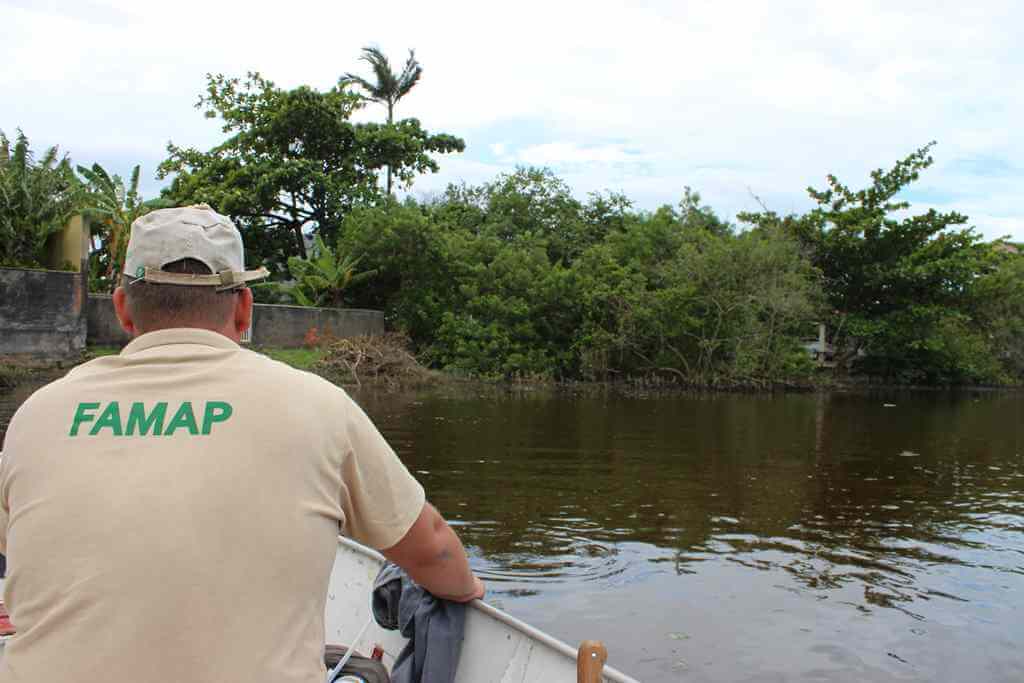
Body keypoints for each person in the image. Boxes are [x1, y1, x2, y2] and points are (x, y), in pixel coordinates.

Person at [0, 204, 484, 683]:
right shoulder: (316, 405)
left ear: (123, 309)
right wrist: (465, 589)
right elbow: (434, 548)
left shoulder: (37, 415)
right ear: (245, 309)